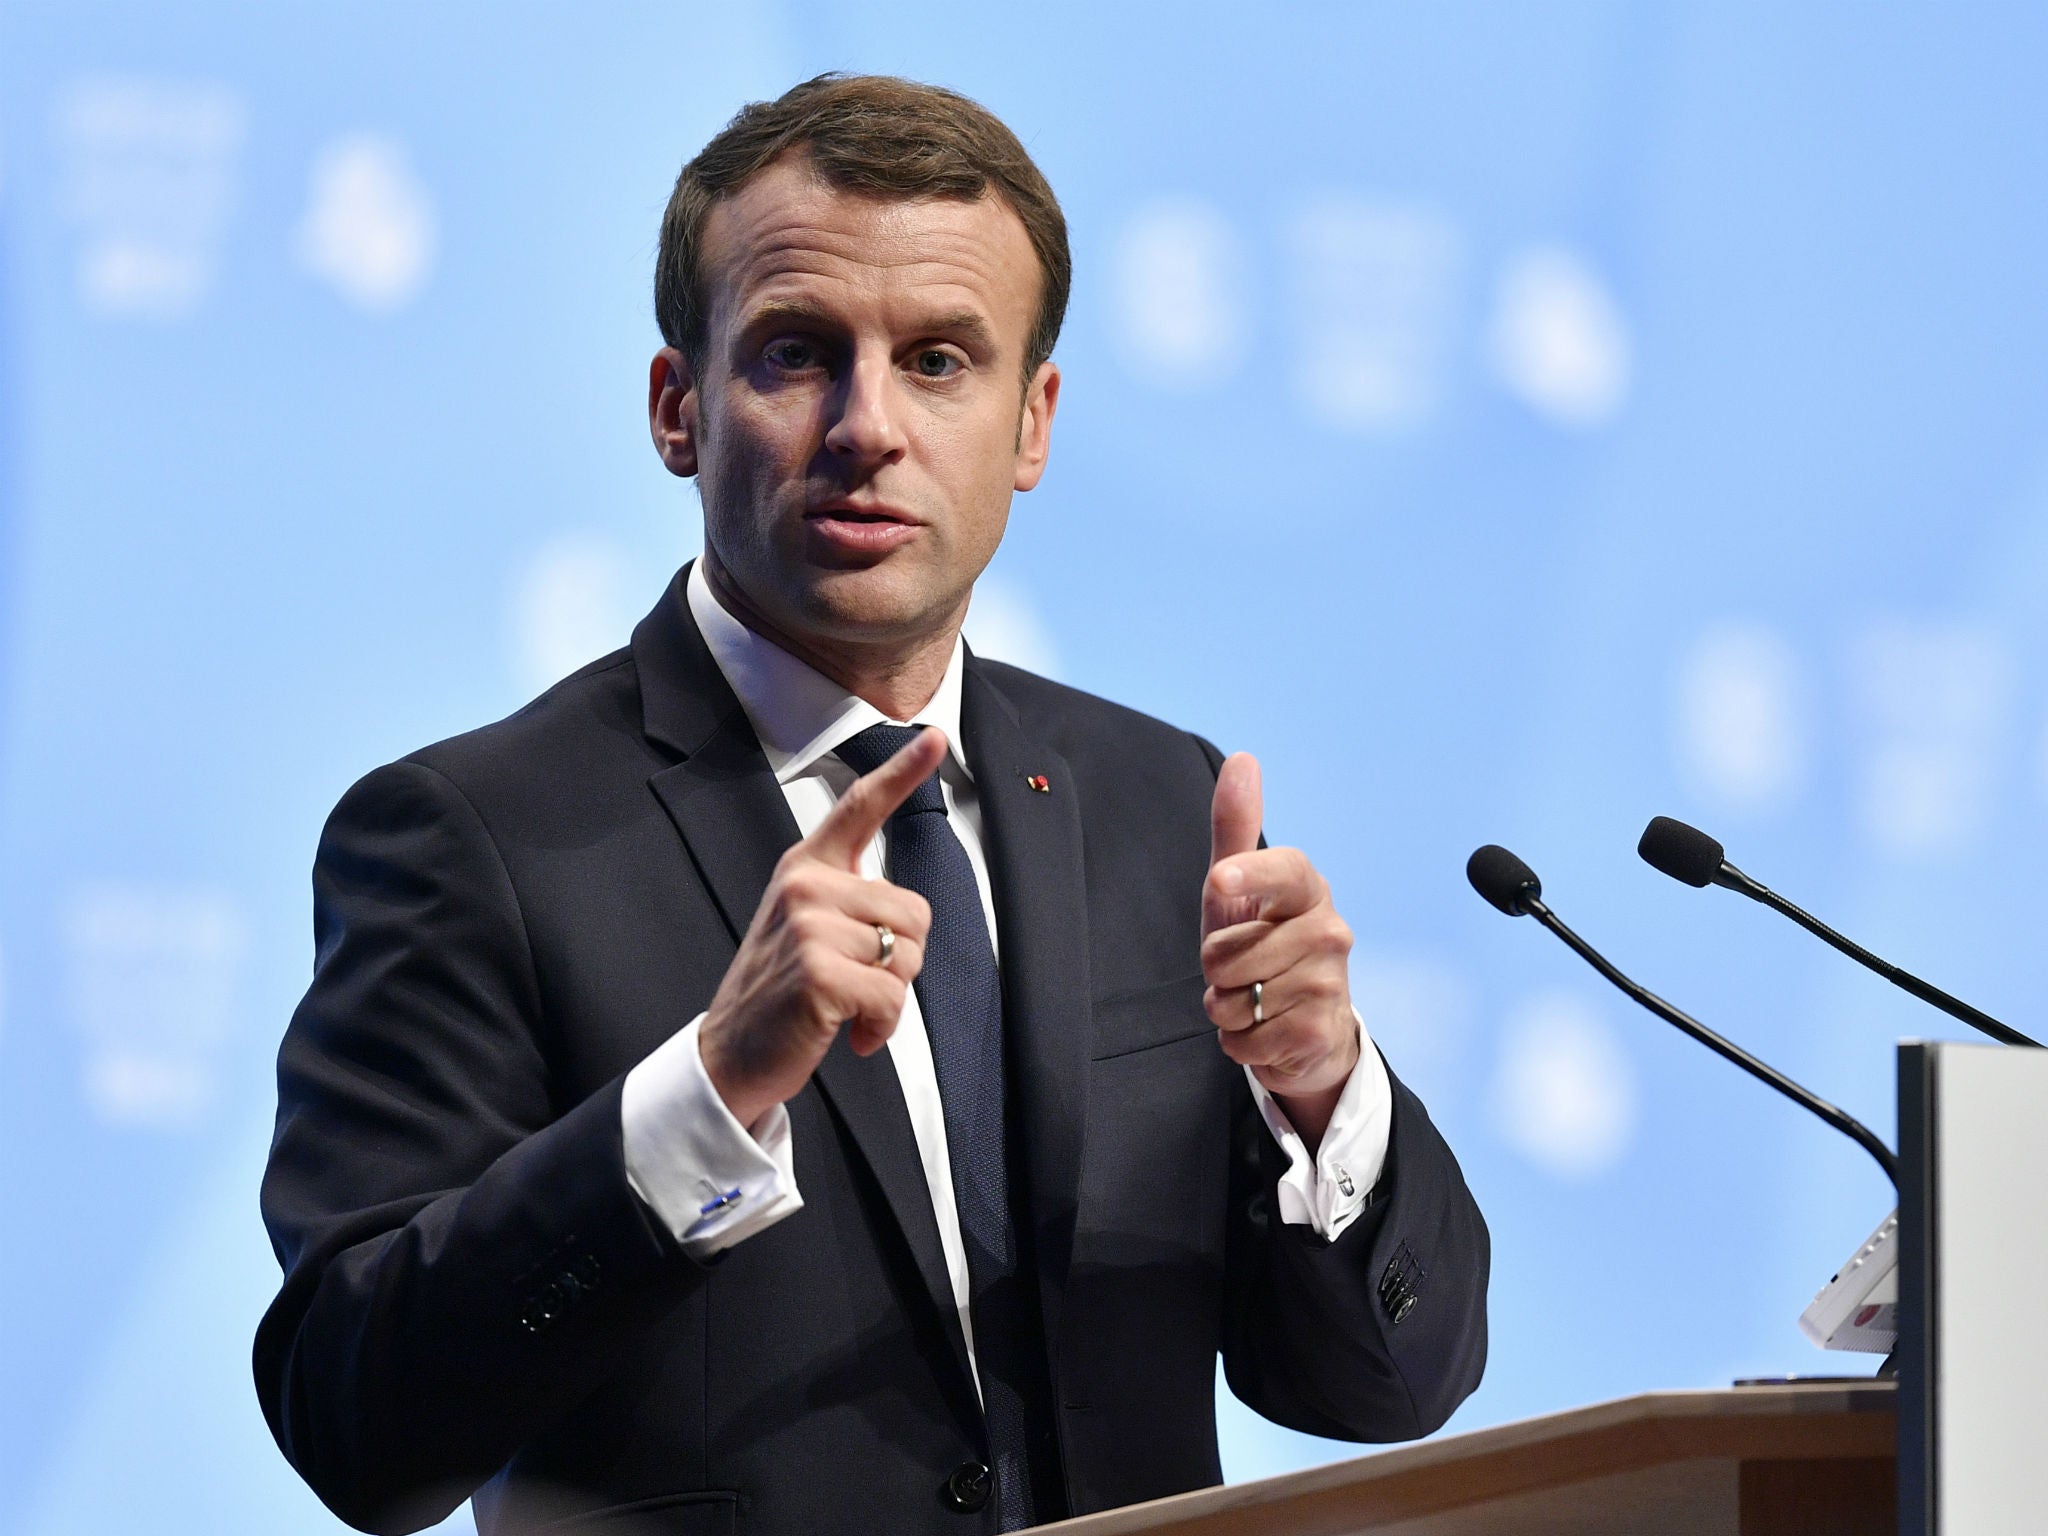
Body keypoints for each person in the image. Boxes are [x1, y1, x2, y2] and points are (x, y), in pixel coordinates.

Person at [255, 73, 1488, 1536]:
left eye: (941, 360)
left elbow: (1385, 1388)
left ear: (1032, 425)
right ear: (677, 408)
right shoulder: (474, 835)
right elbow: (360, 1422)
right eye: (795, 353)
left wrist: (1320, 1089)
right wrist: (709, 1092)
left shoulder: (1157, 801)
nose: (869, 425)